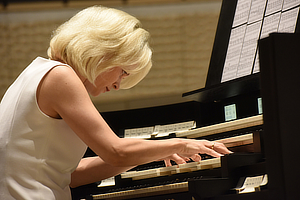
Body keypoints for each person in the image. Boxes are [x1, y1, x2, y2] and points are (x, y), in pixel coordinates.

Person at [0, 6, 231, 200]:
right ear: (102, 52)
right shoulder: (60, 76)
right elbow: (115, 152)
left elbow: (71, 174)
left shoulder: (38, 71)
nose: (119, 84)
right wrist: (179, 145)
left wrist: (152, 153)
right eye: (122, 72)